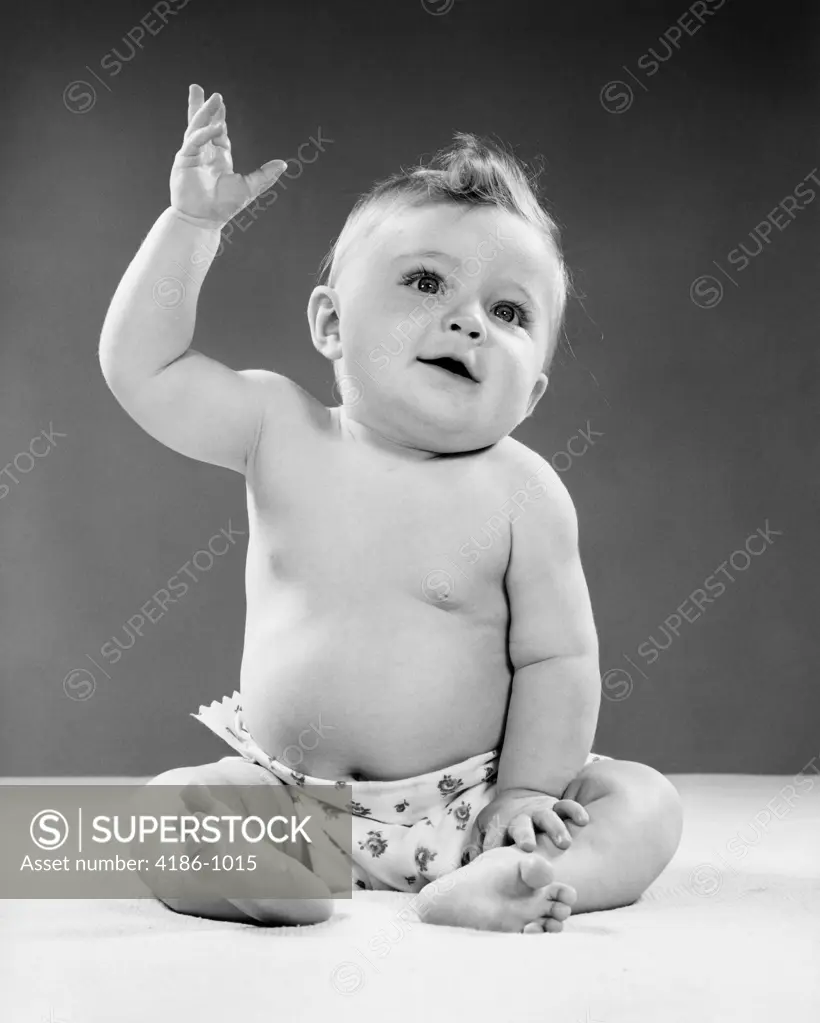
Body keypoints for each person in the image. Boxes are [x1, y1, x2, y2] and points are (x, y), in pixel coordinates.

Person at [98, 83, 683, 934]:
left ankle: (510, 877)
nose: (469, 320)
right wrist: (191, 227)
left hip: (481, 803)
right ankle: (291, 877)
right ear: (332, 323)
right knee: (166, 811)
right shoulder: (282, 429)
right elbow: (141, 369)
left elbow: (559, 658)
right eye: (425, 282)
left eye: (510, 311)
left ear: (533, 394)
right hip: (295, 800)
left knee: (643, 800)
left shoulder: (521, 490)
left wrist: (525, 792)